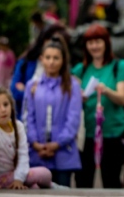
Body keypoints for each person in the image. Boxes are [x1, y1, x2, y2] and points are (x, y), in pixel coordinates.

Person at [71, 24, 124, 188]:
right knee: (83, 181)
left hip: (113, 133)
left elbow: (122, 99)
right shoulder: (80, 69)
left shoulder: (119, 66)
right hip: (86, 135)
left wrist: (106, 90)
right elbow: (70, 96)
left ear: (106, 43)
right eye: (90, 42)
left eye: (98, 41)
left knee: (111, 180)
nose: (94, 46)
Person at [24, 39, 82, 187]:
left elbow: (73, 119)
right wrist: (36, 143)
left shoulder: (71, 85)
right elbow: (27, 116)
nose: (51, 62)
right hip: (36, 153)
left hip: (63, 152)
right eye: (48, 57)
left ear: (63, 60)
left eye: (56, 58)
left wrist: (57, 144)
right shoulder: (32, 85)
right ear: (41, 59)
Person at [0, 87, 52, 189]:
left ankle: (52, 187)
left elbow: (23, 154)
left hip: (15, 176)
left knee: (35, 187)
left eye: (6, 104)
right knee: (44, 173)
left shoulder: (18, 126)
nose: (3, 110)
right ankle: (54, 186)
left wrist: (19, 179)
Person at [10, 24, 69, 114]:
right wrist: (30, 93)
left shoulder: (63, 70)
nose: (51, 62)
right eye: (51, 40)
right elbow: (14, 91)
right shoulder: (26, 62)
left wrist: (33, 92)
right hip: (26, 115)